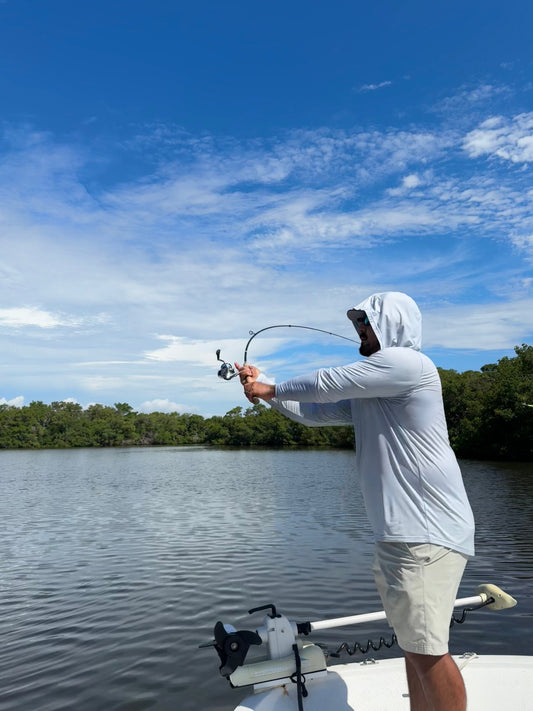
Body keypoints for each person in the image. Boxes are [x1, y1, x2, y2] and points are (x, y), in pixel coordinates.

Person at [236, 291, 475, 711]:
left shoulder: (408, 364)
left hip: (425, 535)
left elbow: (325, 384)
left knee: (428, 652)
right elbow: (315, 409)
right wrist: (268, 391)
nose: (358, 331)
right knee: (416, 648)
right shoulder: (377, 389)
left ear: (388, 325)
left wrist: (266, 386)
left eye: (363, 322)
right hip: (403, 536)